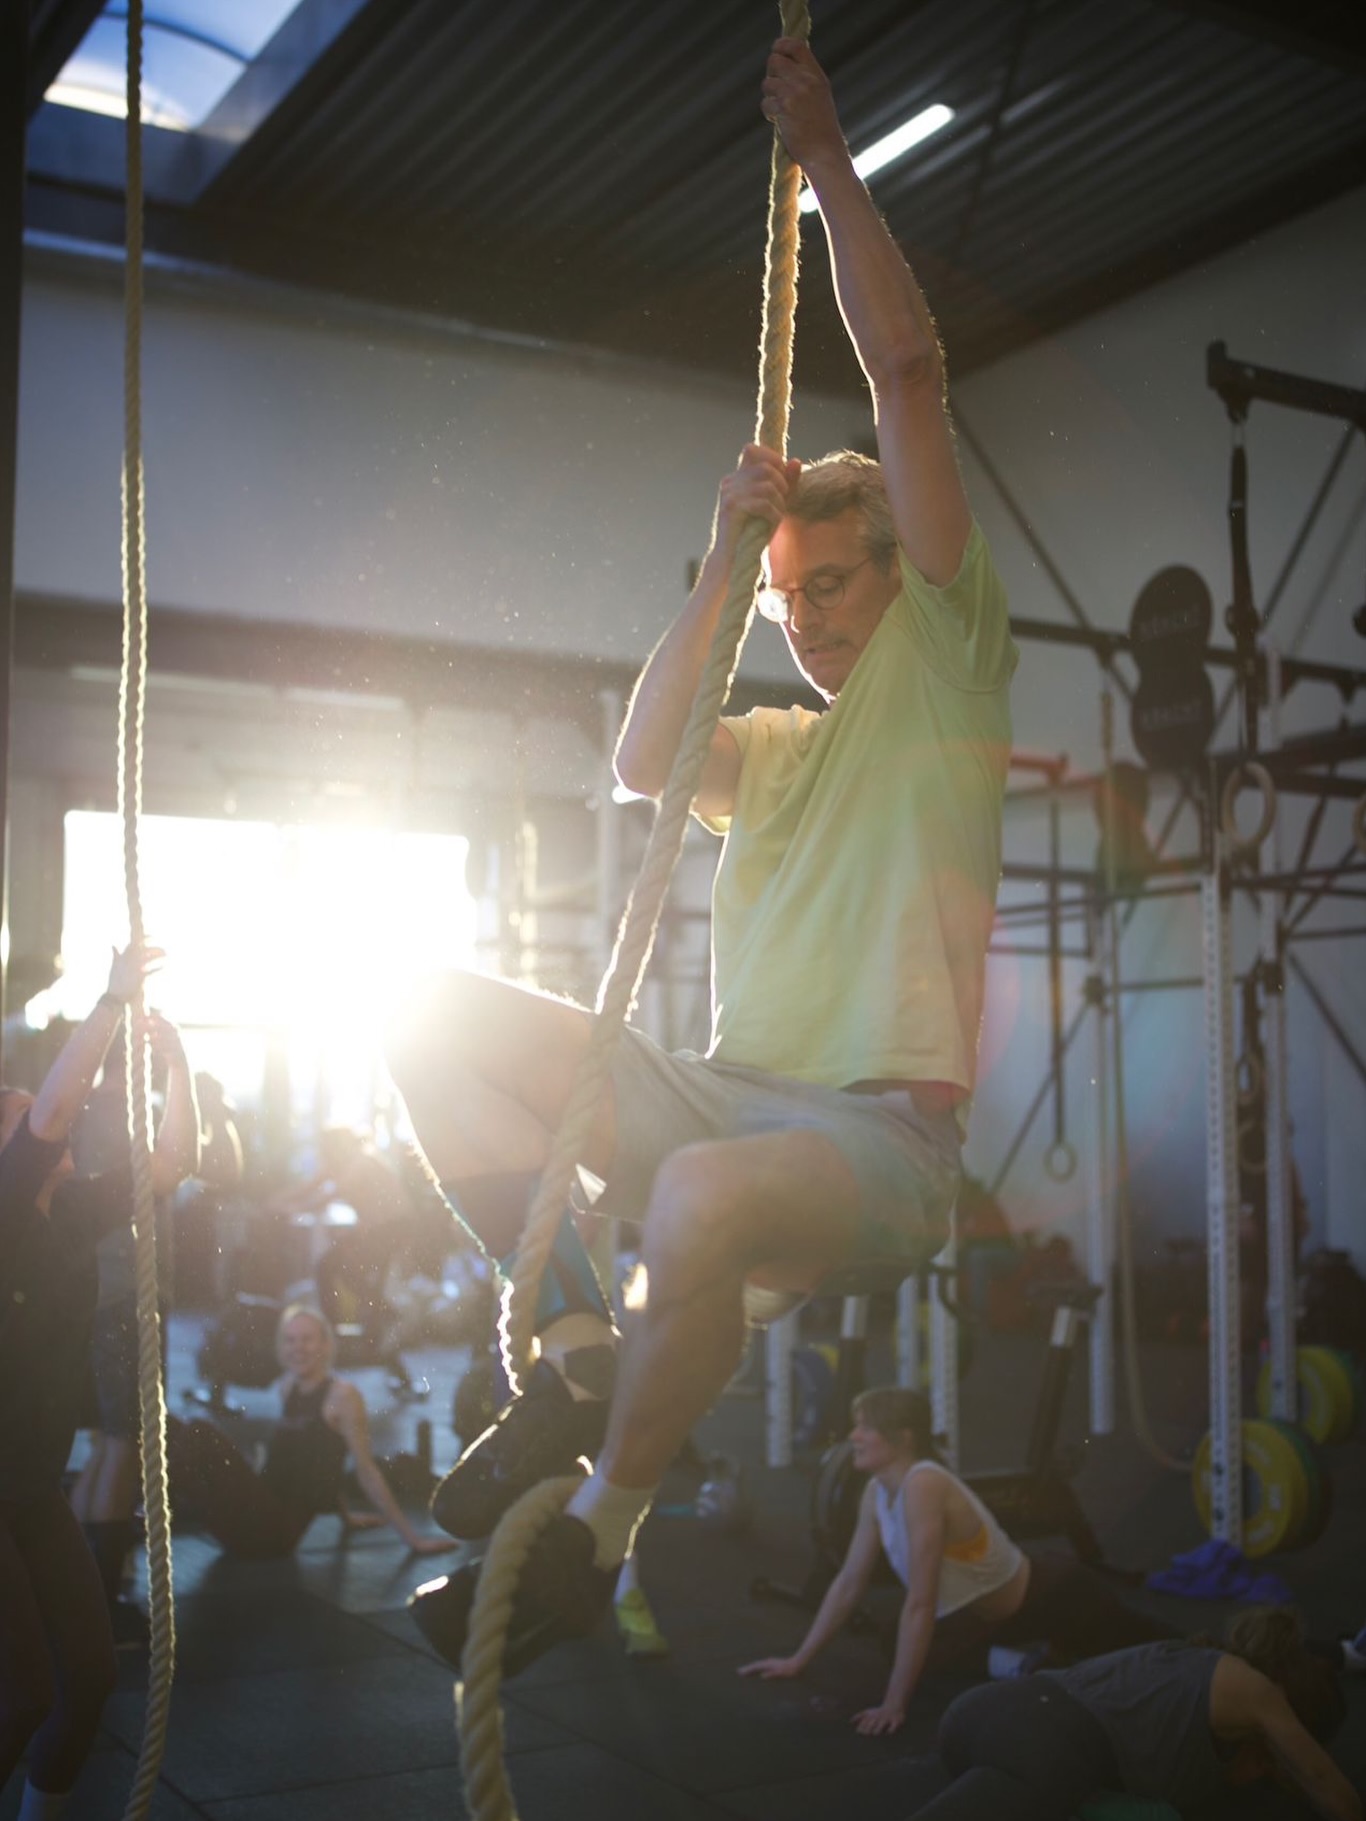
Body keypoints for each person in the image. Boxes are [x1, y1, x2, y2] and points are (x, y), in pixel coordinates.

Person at [394, 32, 1016, 1674]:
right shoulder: (776, 748)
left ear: (901, 578)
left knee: (696, 1185)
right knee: (417, 1010)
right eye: (787, 596)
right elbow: (640, 760)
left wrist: (823, 162)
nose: (808, 620)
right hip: (723, 1101)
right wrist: (721, 564)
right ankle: (591, 1351)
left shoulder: (948, 679)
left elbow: (905, 381)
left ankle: (598, 1534)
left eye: (834, 584)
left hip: (878, 1149)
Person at [0, 944, 198, 1821]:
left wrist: (180, 1067)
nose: (43, 1117)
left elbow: (168, 1167)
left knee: (89, 1675)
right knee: (20, 1693)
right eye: (18, 1111)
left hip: (33, 1480)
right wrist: (112, 1001)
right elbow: (53, 1107)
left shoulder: (71, 1211)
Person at [738, 1387, 1173, 1735]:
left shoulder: (924, 1485)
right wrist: (798, 1659)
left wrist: (894, 1704)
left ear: (903, 1438)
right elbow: (849, 1582)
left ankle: (1222, 1655)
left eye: (864, 1428)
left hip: (1054, 1594)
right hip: (990, 1617)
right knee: (897, 1645)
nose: (852, 1436)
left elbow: (922, 1602)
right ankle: (1027, 1663)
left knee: (1159, 1658)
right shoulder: (875, 1492)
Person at [907, 1607, 1360, 1820]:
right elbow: (1324, 1783)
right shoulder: (1255, 1689)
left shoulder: (1189, 1659)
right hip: (1042, 1745)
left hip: (976, 1717)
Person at [163, 1303, 453, 1560]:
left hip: (271, 1533)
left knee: (198, 1433)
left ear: (326, 1345)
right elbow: (318, 1460)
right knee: (171, 1425)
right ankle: (144, 1512)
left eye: (307, 1340)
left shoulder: (343, 1396)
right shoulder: (288, 1387)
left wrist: (413, 1540)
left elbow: (365, 1469)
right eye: (290, 1340)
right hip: (254, 1514)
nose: (297, 1348)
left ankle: (147, 1514)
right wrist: (347, 1517)